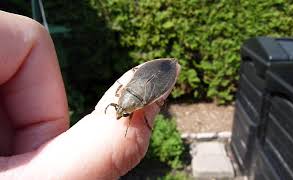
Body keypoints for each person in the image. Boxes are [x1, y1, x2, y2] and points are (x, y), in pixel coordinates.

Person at [0, 11, 178, 179]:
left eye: (123, 113)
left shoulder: (136, 100)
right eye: (122, 111)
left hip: (148, 80)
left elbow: (142, 104)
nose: (121, 114)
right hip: (144, 82)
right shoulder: (130, 97)